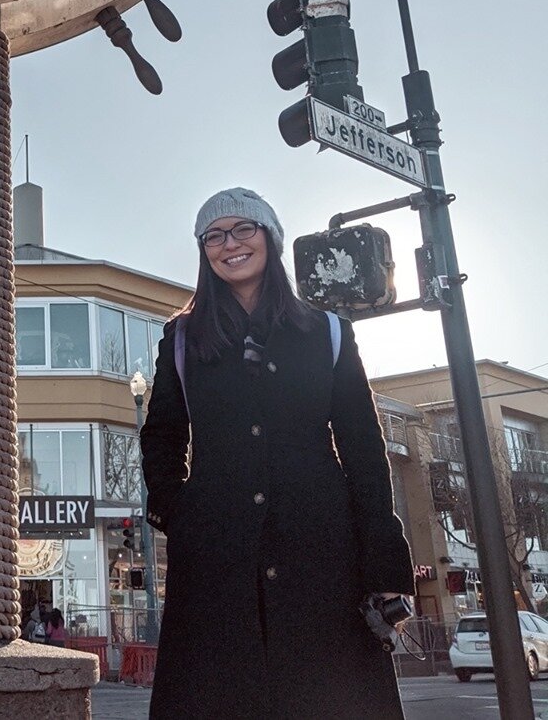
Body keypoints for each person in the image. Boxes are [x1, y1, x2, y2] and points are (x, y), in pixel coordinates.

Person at [140, 188, 414, 720]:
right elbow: (162, 435)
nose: (230, 244)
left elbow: (362, 448)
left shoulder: (327, 332)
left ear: (271, 238)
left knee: (327, 694)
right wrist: (179, 513)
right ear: (203, 251)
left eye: (245, 229)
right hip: (216, 554)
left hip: (322, 547)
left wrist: (382, 559)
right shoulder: (182, 338)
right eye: (214, 235)